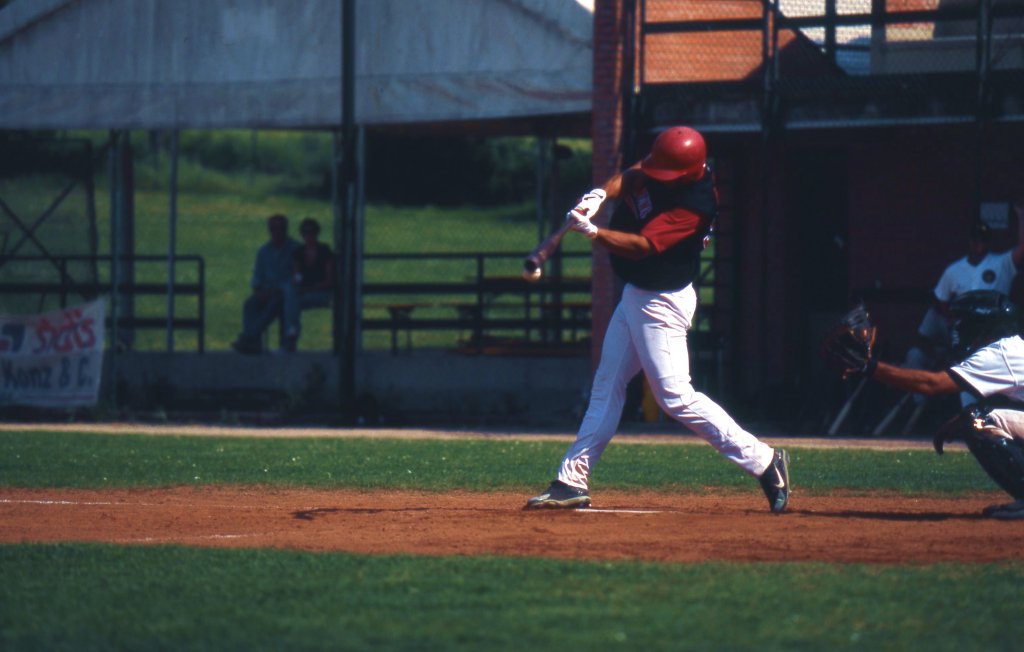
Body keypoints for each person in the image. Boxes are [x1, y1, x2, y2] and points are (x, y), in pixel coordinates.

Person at [525, 126, 791, 513]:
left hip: (661, 301)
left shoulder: (695, 203)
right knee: (607, 385)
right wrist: (601, 193)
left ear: (687, 172)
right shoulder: (671, 167)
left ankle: (765, 461)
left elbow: (642, 247)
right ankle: (571, 481)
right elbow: (634, 174)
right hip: (638, 294)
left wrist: (595, 231)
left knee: (675, 397)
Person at [845, 291, 1024, 520]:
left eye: (966, 320)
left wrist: (869, 367)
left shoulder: (1002, 352)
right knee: (973, 417)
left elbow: (932, 384)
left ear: (987, 323)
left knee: (979, 419)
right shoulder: (1013, 348)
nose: (959, 327)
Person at [898, 204, 1024, 411]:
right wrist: (951, 325)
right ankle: (939, 409)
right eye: (974, 239)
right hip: (965, 334)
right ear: (969, 241)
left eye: (982, 240)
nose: (978, 244)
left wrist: (1021, 216)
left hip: (995, 336)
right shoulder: (954, 270)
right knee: (961, 375)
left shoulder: (1001, 264)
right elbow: (940, 300)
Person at [231, 214, 299, 354]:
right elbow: (257, 276)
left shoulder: (295, 249)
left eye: (281, 228)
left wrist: (278, 289)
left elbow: (296, 276)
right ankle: (254, 342)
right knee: (250, 304)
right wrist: (258, 290)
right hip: (266, 290)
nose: (277, 232)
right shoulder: (264, 251)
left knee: (275, 304)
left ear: (286, 230)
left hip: (284, 292)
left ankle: (248, 338)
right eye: (274, 229)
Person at [280, 218, 336, 352]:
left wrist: (309, 288)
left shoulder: (325, 251)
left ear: (317, 233)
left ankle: (291, 335)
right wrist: (297, 283)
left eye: (312, 232)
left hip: (322, 293)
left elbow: (330, 281)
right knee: (290, 294)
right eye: (305, 233)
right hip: (304, 293)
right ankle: (291, 336)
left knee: (290, 301)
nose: (309, 236)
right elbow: (297, 275)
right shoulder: (298, 253)